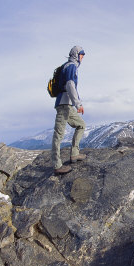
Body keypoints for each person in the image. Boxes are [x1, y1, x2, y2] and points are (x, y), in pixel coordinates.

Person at [51, 46, 87, 175]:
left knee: (81, 125)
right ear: (76, 54)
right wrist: (78, 104)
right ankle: (57, 165)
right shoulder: (71, 66)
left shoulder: (68, 66)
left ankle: (74, 154)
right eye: (82, 55)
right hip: (63, 104)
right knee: (58, 134)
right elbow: (70, 85)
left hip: (67, 104)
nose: (83, 57)